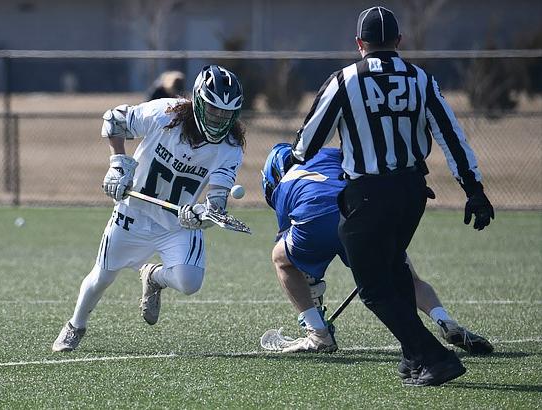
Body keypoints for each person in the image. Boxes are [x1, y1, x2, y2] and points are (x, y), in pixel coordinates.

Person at [291, 6, 495, 387]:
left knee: (373, 287)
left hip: (367, 192)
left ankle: (434, 358)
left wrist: (294, 157)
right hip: (412, 193)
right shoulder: (421, 79)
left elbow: (307, 143)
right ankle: (412, 359)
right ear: (399, 42)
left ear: (359, 44)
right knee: (395, 269)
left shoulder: (345, 80)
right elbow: (453, 138)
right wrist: (475, 190)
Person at [53, 65, 245, 352]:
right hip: (134, 213)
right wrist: (117, 164)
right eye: (214, 110)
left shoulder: (231, 146)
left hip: (176, 224)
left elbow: (217, 201)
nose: (220, 119)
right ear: (198, 102)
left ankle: (152, 275)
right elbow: (114, 119)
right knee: (101, 277)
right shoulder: (166, 113)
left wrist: (202, 215)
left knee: (190, 282)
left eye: (227, 114)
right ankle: (75, 325)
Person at [259, 144, 494, 358]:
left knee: (282, 260)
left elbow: (297, 255)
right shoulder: (329, 154)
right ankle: (445, 320)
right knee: (407, 278)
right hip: (363, 211)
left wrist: (313, 293)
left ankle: (318, 334)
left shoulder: (284, 186)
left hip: (316, 219)